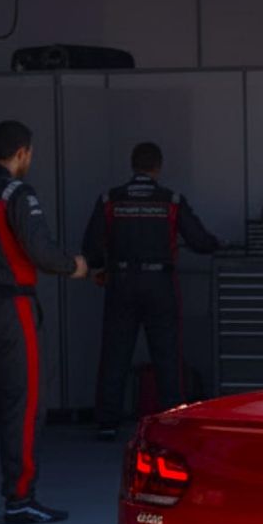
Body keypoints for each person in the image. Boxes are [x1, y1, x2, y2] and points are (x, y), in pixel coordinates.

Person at [83, 141, 222, 440]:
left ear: (133, 165)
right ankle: (172, 420)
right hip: (160, 285)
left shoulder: (110, 200)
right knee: (167, 354)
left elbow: (91, 246)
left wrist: (100, 268)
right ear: (158, 167)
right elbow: (199, 241)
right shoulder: (170, 200)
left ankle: (107, 423)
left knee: (115, 353)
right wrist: (219, 245)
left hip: (120, 282)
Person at [0, 120, 88, 524]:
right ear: (22, 153)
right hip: (11, 308)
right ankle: (20, 498)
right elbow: (41, 251)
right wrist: (74, 266)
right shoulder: (16, 193)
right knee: (25, 402)